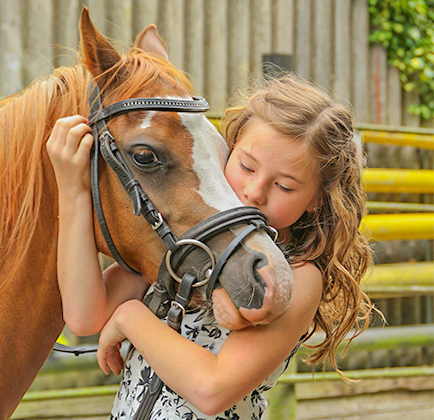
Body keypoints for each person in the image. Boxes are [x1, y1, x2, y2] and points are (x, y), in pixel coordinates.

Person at [47, 74, 374, 419]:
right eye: (246, 166)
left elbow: (212, 389)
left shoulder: (300, 276)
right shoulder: (186, 243)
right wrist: (73, 189)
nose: (254, 191)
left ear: (317, 198)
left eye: (284, 186)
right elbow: (85, 317)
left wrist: (130, 317)